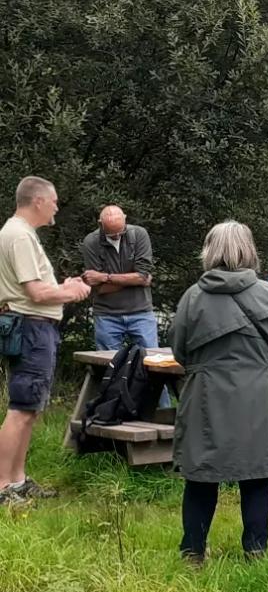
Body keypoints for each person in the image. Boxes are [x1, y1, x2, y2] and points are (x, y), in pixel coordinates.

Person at [170, 221, 268, 563]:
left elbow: (179, 351)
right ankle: (256, 552)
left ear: (210, 250)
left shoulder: (193, 297)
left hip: (207, 396)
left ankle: (192, 552)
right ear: (249, 249)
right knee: (256, 475)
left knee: (200, 477)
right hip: (259, 395)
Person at [0, 177, 90, 505]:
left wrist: (61, 287)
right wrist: (71, 291)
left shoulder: (19, 233)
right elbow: (35, 293)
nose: (56, 207)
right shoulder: (20, 235)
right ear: (37, 201)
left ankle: (18, 480)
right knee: (21, 409)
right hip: (31, 328)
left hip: (34, 327)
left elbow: (34, 286)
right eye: (53, 201)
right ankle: (2, 486)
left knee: (31, 408)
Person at [80, 206, 160, 351]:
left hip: (141, 311)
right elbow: (100, 288)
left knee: (151, 361)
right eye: (112, 234)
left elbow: (141, 277)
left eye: (120, 232)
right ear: (100, 224)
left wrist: (104, 277)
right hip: (106, 314)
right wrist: (135, 279)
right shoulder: (91, 242)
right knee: (108, 367)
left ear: (125, 219)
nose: (117, 236)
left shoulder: (139, 234)